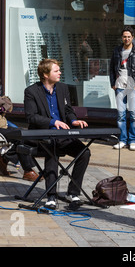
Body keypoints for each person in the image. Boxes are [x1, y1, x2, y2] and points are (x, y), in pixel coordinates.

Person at [24, 59, 91, 209]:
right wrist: (53, 122)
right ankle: (51, 195)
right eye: (56, 70)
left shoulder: (62, 88)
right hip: (43, 136)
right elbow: (31, 116)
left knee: (84, 153)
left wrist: (73, 121)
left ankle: (73, 192)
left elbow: (67, 110)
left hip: (63, 135)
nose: (60, 72)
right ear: (45, 74)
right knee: (52, 149)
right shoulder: (31, 91)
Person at [109, 26, 135, 151]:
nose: (126, 39)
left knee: (134, 115)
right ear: (122, 37)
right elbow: (111, 68)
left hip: (132, 86)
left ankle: (133, 140)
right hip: (119, 86)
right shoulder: (116, 50)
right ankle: (122, 140)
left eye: (129, 37)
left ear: (133, 38)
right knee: (120, 115)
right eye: (124, 36)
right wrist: (112, 83)